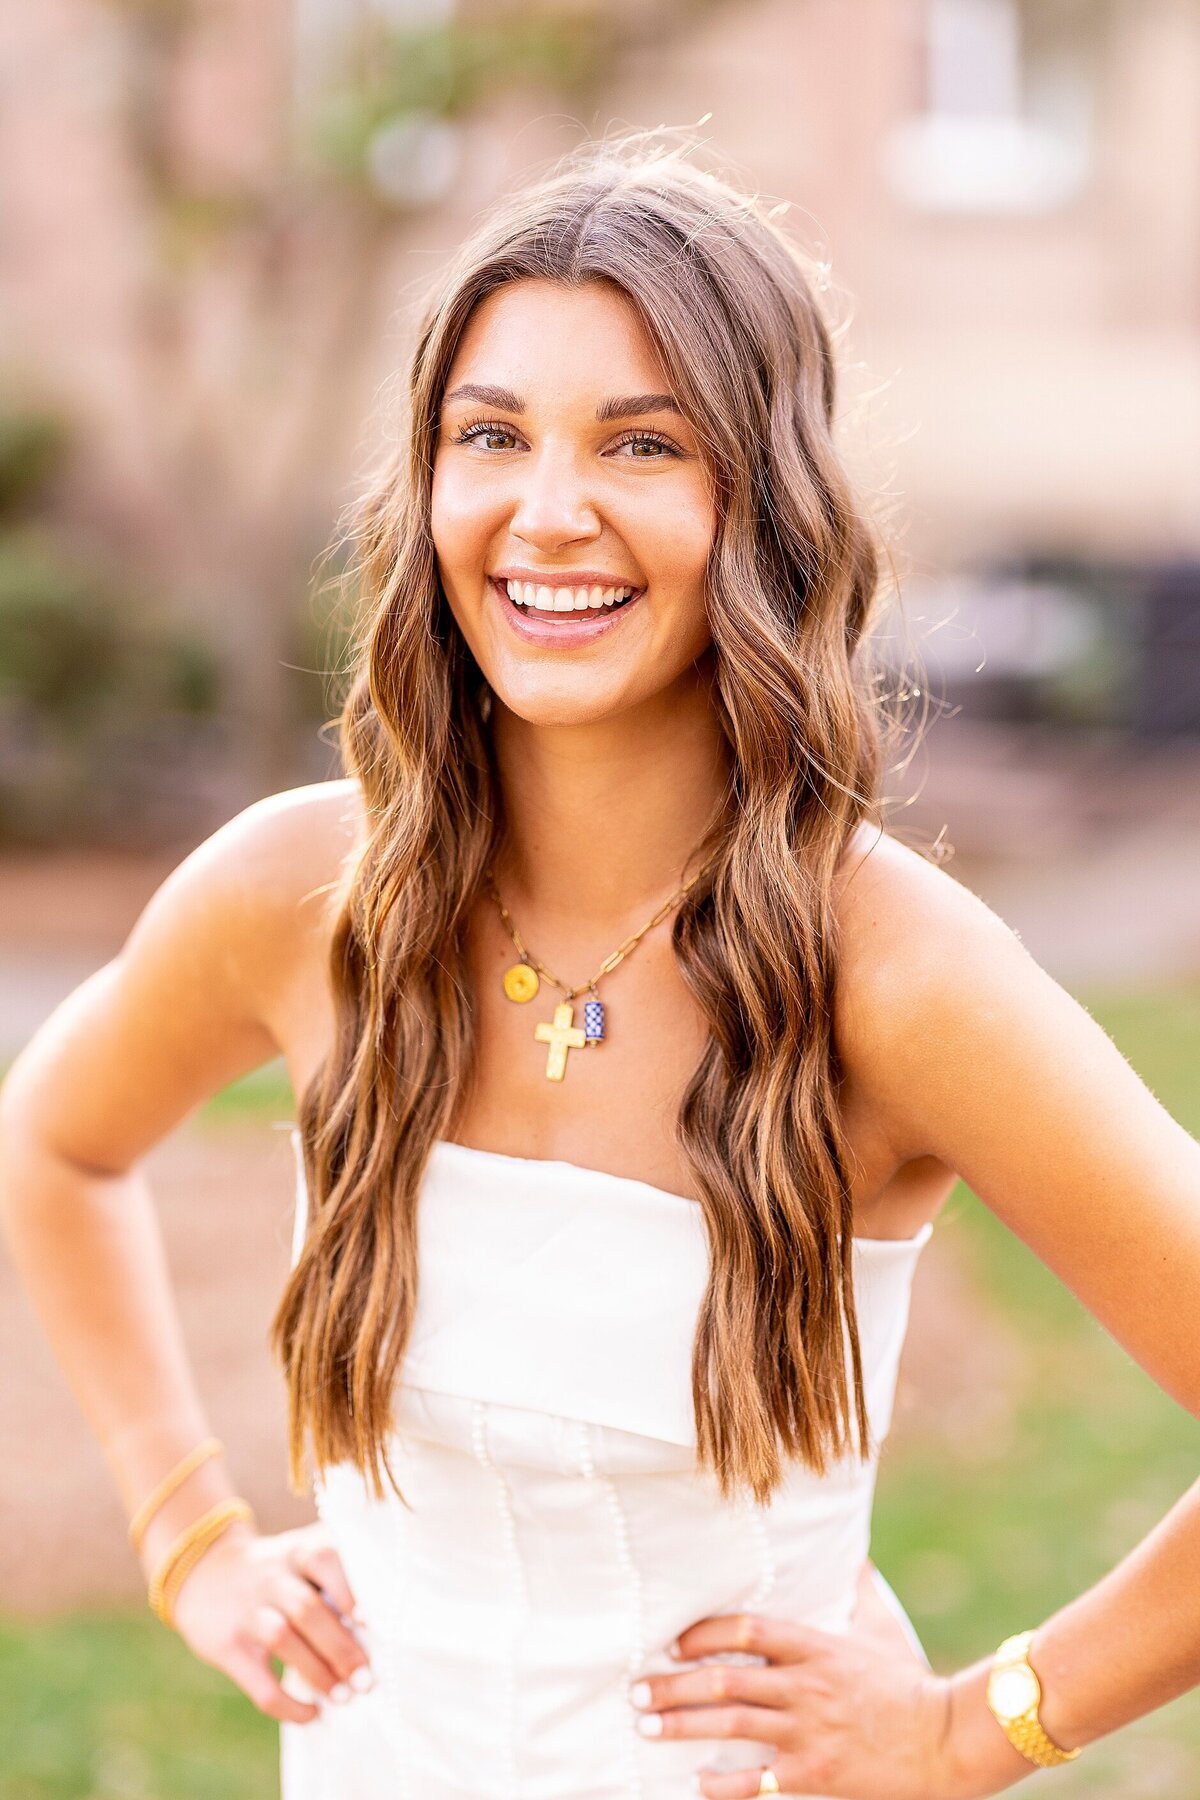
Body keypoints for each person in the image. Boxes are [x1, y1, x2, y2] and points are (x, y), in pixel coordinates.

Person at [1, 130, 1198, 1800]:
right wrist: (182, 1522)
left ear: (762, 499)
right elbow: (53, 1141)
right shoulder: (303, 892)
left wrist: (973, 1726)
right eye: (489, 435)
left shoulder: (894, 973)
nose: (545, 512)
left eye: (641, 444)